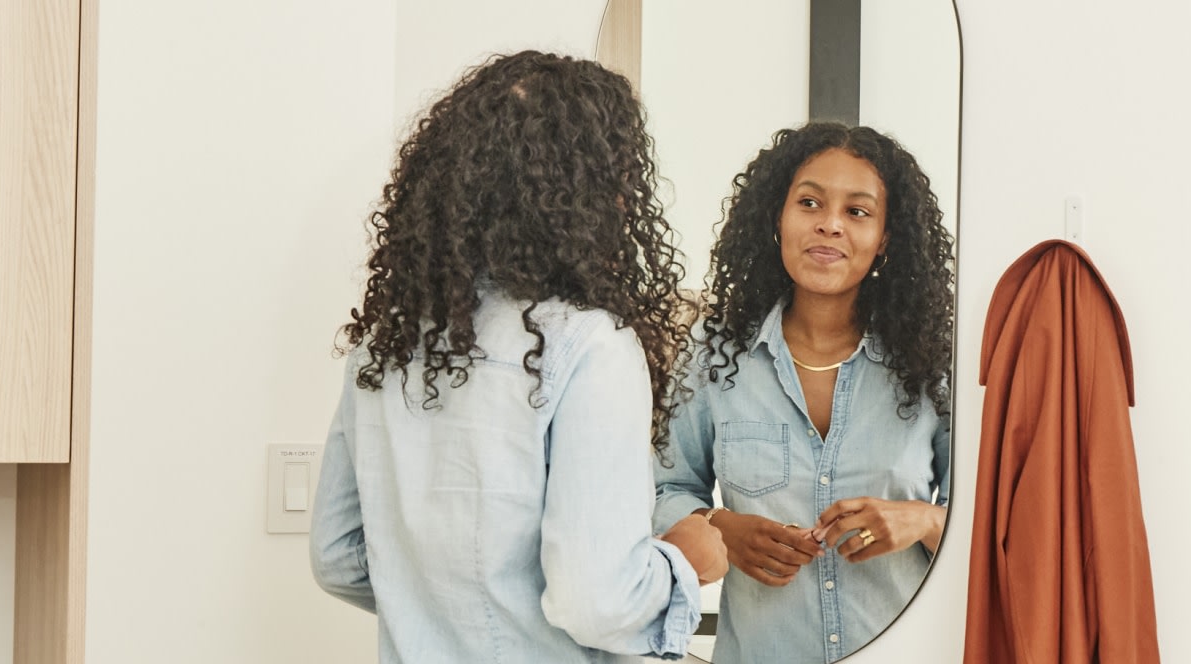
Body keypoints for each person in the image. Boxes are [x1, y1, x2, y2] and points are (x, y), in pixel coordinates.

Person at [309, 50, 726, 663]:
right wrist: (684, 560)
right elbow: (596, 603)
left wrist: (438, 608)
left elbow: (339, 557)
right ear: (590, 193)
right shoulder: (589, 346)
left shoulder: (389, 342)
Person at [653, 123, 956, 662]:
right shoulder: (714, 352)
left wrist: (924, 520)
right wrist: (719, 526)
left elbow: (995, 524)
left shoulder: (934, 362)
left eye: (857, 212)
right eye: (810, 203)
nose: (830, 226)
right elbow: (661, 489)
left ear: (885, 237)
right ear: (778, 216)